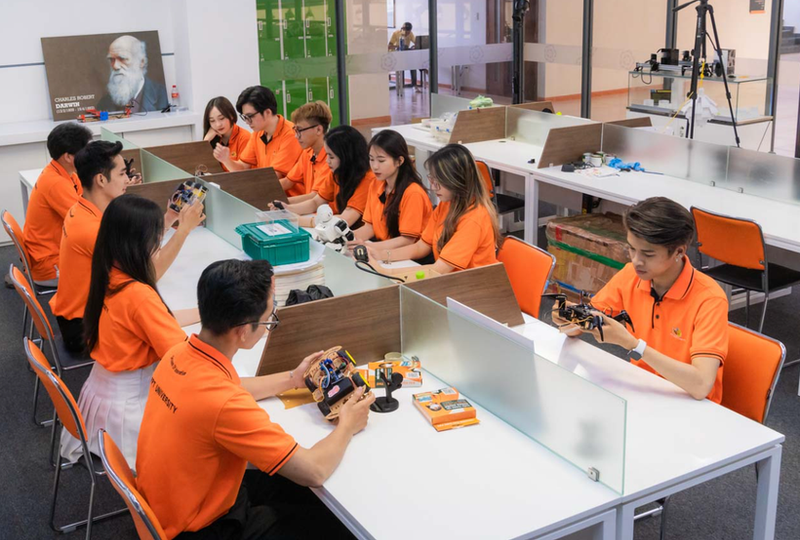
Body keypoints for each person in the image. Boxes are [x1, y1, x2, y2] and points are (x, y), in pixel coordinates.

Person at [136, 259, 374, 539]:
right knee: (333, 523)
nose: (267, 327)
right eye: (268, 320)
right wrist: (347, 425)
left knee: (290, 489)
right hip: (202, 528)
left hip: (172, 503)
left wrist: (292, 379)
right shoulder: (225, 403)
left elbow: (232, 387)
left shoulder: (178, 354)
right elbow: (314, 470)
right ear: (243, 331)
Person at [60, 195, 201, 466]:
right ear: (140, 243)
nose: (158, 242)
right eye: (156, 237)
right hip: (129, 414)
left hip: (102, 398)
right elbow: (182, 358)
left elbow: (158, 319)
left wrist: (205, 314)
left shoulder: (108, 272)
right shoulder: (138, 295)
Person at [553, 197, 728, 403]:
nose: (636, 261)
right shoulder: (631, 276)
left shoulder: (710, 299)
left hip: (691, 405)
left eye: (648, 254)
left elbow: (701, 385)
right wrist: (570, 319)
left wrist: (633, 345)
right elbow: (589, 320)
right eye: (632, 249)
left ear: (679, 251)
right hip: (641, 392)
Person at [49, 141, 206, 353]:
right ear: (101, 179)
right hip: (85, 328)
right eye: (122, 174)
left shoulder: (82, 210)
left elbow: (137, 249)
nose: (128, 180)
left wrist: (169, 219)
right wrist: (183, 231)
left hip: (79, 316)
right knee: (170, 335)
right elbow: (149, 274)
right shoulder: (94, 230)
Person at [367, 144, 500, 274]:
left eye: (439, 181)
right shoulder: (447, 204)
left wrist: (385, 271)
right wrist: (381, 255)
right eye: (432, 179)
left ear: (457, 181)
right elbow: (421, 246)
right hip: (452, 280)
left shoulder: (473, 219)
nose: (433, 187)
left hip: (472, 284)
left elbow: (439, 269)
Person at [22, 123, 93, 286]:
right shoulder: (56, 183)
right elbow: (85, 220)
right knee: (115, 271)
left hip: (52, 253)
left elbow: (86, 199)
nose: (88, 156)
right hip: (51, 267)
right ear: (68, 157)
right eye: (85, 152)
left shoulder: (64, 172)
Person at [277, 125, 375, 228]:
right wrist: (286, 209)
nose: (327, 161)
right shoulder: (337, 173)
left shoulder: (367, 179)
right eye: (327, 155)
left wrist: (298, 220)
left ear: (347, 157)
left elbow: (345, 220)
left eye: (331, 157)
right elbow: (315, 202)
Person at [352, 130, 431, 254]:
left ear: (399, 161)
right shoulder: (376, 184)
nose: (375, 166)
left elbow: (407, 240)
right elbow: (370, 227)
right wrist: (348, 238)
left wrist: (369, 247)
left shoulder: (413, 193)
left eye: (381, 161)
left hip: (408, 256)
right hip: (384, 250)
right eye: (371, 159)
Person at [214, 86, 302, 179]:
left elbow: (274, 177)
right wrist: (226, 160)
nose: (247, 122)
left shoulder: (291, 134)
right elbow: (243, 167)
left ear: (267, 112)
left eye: (250, 116)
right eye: (245, 117)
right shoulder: (257, 133)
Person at [96, 35, 169, 113]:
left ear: (141, 62)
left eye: (122, 58)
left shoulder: (162, 96)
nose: (115, 66)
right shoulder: (104, 103)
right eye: (111, 60)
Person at [283, 101, 332, 198]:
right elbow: (287, 181)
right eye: (295, 130)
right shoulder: (308, 153)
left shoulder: (331, 158)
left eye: (300, 130)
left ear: (318, 130)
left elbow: (315, 198)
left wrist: (281, 203)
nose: (296, 136)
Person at [203, 96, 251, 172]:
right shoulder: (213, 138)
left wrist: (226, 160)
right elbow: (201, 167)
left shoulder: (245, 137)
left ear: (231, 116)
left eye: (221, 118)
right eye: (212, 121)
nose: (218, 124)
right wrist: (206, 141)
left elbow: (242, 172)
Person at [388, 22, 418, 91]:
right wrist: (398, 46)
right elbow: (389, 46)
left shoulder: (410, 34)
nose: (407, 34)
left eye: (409, 32)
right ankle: (400, 84)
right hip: (396, 55)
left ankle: (414, 85)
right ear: (403, 29)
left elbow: (416, 42)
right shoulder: (396, 33)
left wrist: (415, 45)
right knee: (401, 66)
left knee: (413, 66)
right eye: (406, 32)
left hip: (405, 54)